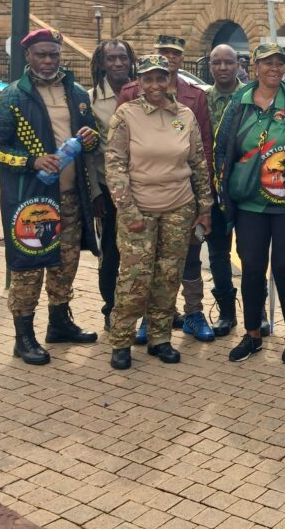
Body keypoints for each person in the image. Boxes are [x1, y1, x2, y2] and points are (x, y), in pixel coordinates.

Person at [0, 28, 99, 365]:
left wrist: (90, 137)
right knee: (29, 267)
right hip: (31, 200)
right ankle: (24, 337)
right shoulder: (12, 97)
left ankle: (60, 323)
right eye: (41, 55)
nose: (48, 61)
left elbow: (90, 140)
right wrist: (30, 161)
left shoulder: (76, 92)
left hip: (70, 196)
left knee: (66, 263)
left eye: (54, 54)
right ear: (28, 57)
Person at [214, 41, 285, 365]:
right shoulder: (239, 102)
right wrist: (226, 185)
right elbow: (221, 148)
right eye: (267, 63)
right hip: (249, 204)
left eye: (280, 63)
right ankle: (252, 333)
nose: (274, 69)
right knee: (251, 268)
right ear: (254, 67)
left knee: (284, 267)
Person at [104, 55, 213, 369]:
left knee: (168, 277)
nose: (155, 85)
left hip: (179, 208)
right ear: (139, 81)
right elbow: (114, 166)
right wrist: (128, 210)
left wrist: (204, 207)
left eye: (160, 78)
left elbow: (197, 163)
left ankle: (160, 338)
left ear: (170, 80)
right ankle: (121, 340)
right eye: (148, 79)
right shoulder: (127, 114)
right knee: (134, 279)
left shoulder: (184, 115)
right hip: (138, 210)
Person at [89, 38, 136, 330]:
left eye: (123, 58)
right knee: (112, 254)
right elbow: (88, 153)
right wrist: (95, 192)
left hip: (145, 187)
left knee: (146, 252)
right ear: (102, 63)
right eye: (112, 59)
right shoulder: (91, 100)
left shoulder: (143, 91)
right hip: (109, 190)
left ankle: (150, 307)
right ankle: (111, 308)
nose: (118, 64)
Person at [203, 44, 243, 337]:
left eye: (228, 62)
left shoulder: (250, 96)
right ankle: (226, 311)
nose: (223, 68)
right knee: (218, 252)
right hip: (212, 188)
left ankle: (256, 310)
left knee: (252, 253)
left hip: (245, 187)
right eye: (217, 63)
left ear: (239, 64)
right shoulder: (201, 99)